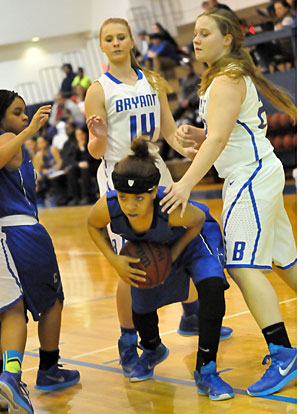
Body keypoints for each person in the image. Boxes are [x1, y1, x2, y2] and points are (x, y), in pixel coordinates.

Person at [159, 8, 297, 397]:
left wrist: (185, 183)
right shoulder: (225, 78)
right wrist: (200, 135)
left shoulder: (226, 80)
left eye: (205, 33)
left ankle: (284, 353)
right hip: (257, 171)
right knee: (285, 260)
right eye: (196, 33)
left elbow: (220, 141)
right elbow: (222, 135)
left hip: (250, 176)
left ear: (229, 39)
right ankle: (284, 351)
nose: (196, 40)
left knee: (241, 265)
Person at [85, 17, 233, 377]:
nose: (117, 43)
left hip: (157, 174)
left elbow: (167, 132)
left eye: (122, 37)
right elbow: (94, 151)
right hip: (122, 182)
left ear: (132, 41)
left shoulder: (153, 81)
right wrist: (99, 136)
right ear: (102, 46)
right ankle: (128, 344)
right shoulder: (98, 89)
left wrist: (194, 150)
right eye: (109, 39)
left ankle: (192, 315)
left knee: (174, 244)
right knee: (133, 261)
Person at [88, 139, 234, 400]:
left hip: (192, 239)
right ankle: (153, 348)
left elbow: (198, 220)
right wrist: (113, 259)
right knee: (140, 304)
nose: (130, 206)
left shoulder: (171, 207)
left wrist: (174, 256)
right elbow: (92, 225)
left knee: (211, 288)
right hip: (156, 245)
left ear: (154, 191)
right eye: (123, 198)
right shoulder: (110, 205)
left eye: (139, 198)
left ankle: (207, 369)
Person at [0, 90, 80, 412]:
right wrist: (27, 130)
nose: (23, 117)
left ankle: (9, 377)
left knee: (8, 312)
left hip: (8, 236)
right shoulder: (9, 138)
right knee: (52, 300)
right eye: (17, 112)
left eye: (24, 113)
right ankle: (47, 369)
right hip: (21, 232)